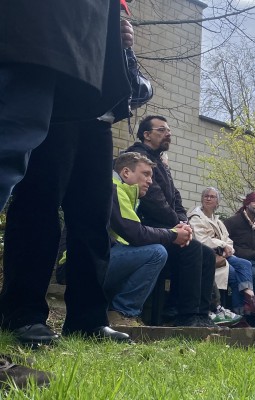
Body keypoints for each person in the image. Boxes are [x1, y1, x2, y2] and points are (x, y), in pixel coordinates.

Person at [0, 0, 133, 345]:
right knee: (38, 207)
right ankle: (23, 314)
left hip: (96, 110)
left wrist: (119, 42)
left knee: (93, 218)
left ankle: (88, 320)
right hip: (54, 91)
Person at [125, 116, 218, 328]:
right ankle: (185, 314)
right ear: (146, 135)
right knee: (193, 250)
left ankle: (201, 315)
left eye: (169, 130)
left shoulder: (160, 161)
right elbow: (154, 200)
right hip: (148, 229)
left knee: (207, 255)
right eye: (162, 130)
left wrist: (183, 223)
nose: (168, 133)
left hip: (168, 228)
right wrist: (178, 226)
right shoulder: (138, 157)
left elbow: (175, 197)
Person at [105, 152, 176, 326]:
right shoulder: (114, 188)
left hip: (95, 259)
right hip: (79, 265)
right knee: (156, 253)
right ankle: (122, 313)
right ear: (126, 172)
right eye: (145, 174)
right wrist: (172, 234)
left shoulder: (119, 190)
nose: (150, 181)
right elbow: (136, 234)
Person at [188, 187, 255, 321]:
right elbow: (201, 240)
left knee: (245, 264)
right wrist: (223, 245)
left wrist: (229, 249)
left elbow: (228, 240)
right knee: (235, 275)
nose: (208, 198)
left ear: (218, 203)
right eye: (206, 196)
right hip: (208, 257)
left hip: (224, 256)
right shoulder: (196, 218)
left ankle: (251, 301)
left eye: (212, 197)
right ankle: (241, 314)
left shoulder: (218, 221)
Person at [223, 192, 255, 314]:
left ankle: (254, 307)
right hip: (238, 260)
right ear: (247, 203)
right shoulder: (232, 221)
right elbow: (225, 241)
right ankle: (252, 311)